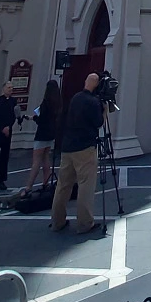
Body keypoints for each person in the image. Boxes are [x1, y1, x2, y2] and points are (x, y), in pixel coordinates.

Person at [51, 72, 104, 234]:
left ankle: (57, 221)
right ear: (97, 85)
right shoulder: (93, 102)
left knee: (63, 186)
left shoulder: (76, 98)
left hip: (68, 147)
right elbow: (99, 123)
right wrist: (104, 109)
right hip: (84, 148)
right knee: (85, 185)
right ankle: (85, 223)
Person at [20, 79, 62, 194]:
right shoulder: (58, 102)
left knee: (37, 161)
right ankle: (46, 182)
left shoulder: (46, 103)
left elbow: (41, 119)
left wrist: (33, 118)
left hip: (42, 134)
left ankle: (29, 186)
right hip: (51, 133)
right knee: (46, 158)